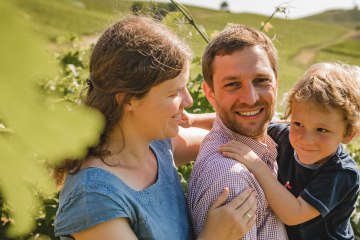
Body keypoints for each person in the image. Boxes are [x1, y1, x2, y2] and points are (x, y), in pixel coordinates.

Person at [53, 16, 257, 240]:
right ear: (128, 100)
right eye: (173, 93)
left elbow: (223, 134)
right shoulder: (93, 197)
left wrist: (287, 126)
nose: (188, 101)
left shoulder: (159, 147)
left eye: (185, 87)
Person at [220, 62, 360, 239]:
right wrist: (194, 121)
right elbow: (247, 123)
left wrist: (256, 164)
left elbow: (294, 214)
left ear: (348, 134)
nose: (306, 139)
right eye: (298, 124)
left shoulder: (341, 172)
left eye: (321, 130)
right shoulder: (285, 136)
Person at [187, 24, 288, 239]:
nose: (250, 98)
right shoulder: (232, 179)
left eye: (261, 80)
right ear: (210, 94)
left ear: (276, 84)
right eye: (233, 84)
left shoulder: (271, 144)